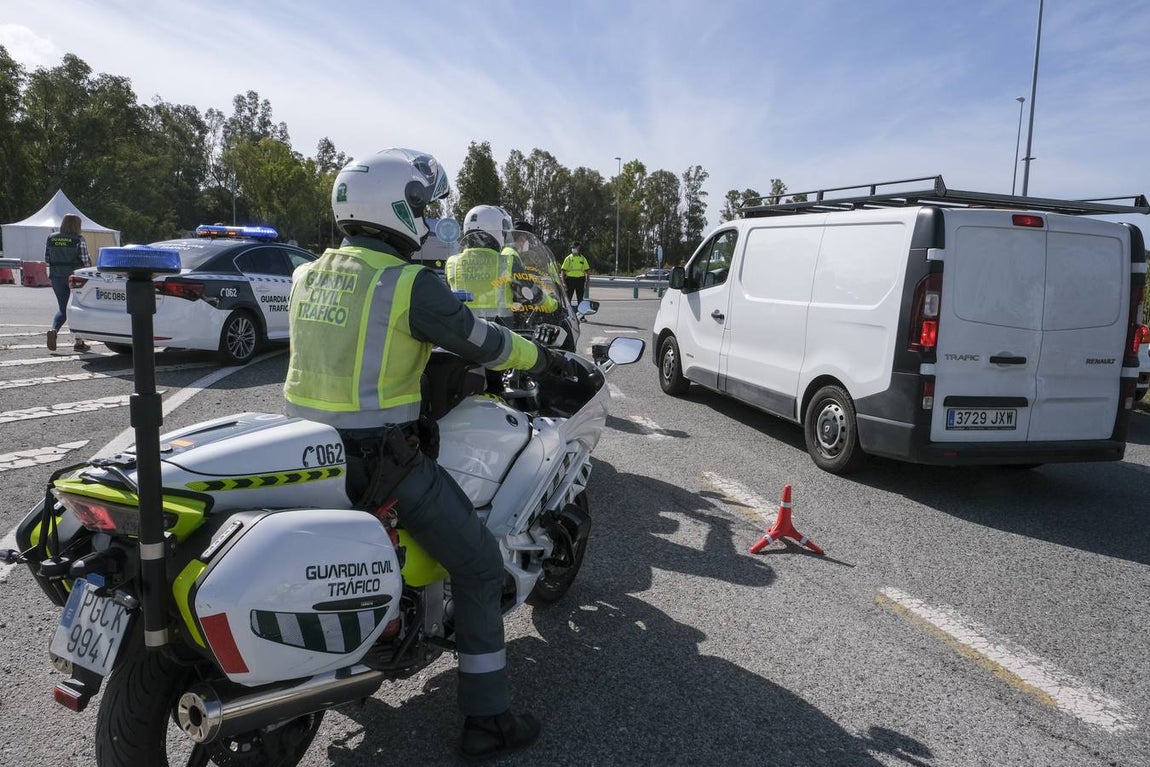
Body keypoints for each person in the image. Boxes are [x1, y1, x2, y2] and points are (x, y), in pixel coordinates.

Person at [284, 148, 567, 760]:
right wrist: (541, 358)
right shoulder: (406, 282)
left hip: (306, 451)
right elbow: (482, 339)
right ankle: (488, 720)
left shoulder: (308, 273)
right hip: (381, 460)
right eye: (423, 206)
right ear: (398, 208)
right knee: (478, 564)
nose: (431, 218)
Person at [445, 205, 519, 322]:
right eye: (504, 231)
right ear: (496, 229)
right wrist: (553, 305)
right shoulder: (508, 261)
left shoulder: (452, 263)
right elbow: (530, 290)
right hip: (501, 332)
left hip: (462, 331)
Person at [44, 213, 90, 352]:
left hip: (56, 277)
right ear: (77, 226)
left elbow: (47, 258)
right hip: (75, 278)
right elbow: (85, 261)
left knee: (63, 309)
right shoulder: (78, 239)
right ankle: (78, 341)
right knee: (77, 308)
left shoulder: (51, 238)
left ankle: (54, 330)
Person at [560, 242, 591, 306]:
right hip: (570, 281)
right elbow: (562, 271)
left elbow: (588, 271)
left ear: (579, 248)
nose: (573, 249)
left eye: (575, 247)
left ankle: (581, 315)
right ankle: (568, 314)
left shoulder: (583, 258)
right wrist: (563, 282)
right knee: (568, 299)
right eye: (572, 248)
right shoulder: (568, 258)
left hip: (580, 281)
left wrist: (587, 282)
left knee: (580, 299)